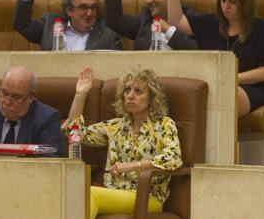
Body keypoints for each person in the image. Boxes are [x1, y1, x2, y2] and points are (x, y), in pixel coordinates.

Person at [63, 67, 182, 218]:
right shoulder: (117, 126)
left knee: (89, 194)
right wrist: (81, 94)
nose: (130, 96)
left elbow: (173, 159)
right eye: (127, 90)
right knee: (73, 194)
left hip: (147, 197)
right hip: (114, 193)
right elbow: (74, 135)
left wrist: (132, 166)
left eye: (138, 91)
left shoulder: (164, 124)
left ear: (152, 98)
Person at [166, 0, 264, 117]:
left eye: (232, 2)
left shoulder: (262, 28)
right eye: (223, 0)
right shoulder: (211, 23)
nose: (226, 7)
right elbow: (175, 19)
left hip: (250, 88)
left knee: (226, 95)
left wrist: (230, 79)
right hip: (215, 86)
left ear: (245, 3)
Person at [0, 66, 63, 155]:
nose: (7, 102)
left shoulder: (47, 119)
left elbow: (51, 159)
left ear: (31, 96)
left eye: (16, 97)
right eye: (4, 93)